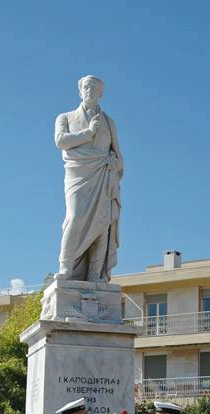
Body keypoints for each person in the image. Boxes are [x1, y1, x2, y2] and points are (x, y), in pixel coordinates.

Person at [54, 75, 123, 282]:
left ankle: (95, 275)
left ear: (101, 93)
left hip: (103, 176)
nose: (89, 91)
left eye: (94, 88)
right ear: (79, 91)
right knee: (75, 217)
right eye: (86, 87)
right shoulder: (65, 117)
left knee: (103, 224)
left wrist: (113, 162)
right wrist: (88, 133)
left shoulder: (109, 122)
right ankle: (66, 268)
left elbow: (120, 158)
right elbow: (61, 141)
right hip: (78, 175)